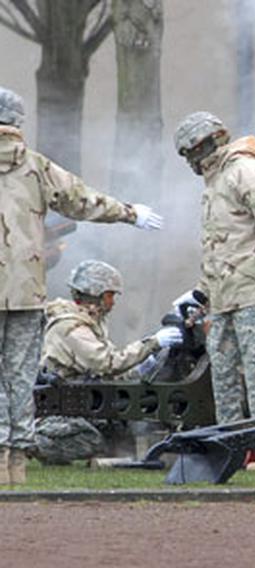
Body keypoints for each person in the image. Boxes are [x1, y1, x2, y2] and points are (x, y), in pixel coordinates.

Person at [0, 86, 163, 485]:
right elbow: (82, 199)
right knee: (19, 379)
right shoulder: (36, 167)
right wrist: (130, 213)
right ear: (18, 123)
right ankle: (15, 466)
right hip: (26, 293)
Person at [172, 111, 255, 473]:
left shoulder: (245, 172)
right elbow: (220, 247)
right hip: (227, 297)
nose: (191, 161)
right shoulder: (216, 181)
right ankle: (233, 447)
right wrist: (201, 294)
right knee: (224, 376)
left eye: (191, 151)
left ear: (206, 143)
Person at [34, 260, 183, 465]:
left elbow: (108, 372)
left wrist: (141, 367)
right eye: (110, 295)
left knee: (120, 432)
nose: (113, 302)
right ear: (95, 294)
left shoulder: (89, 322)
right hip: (60, 409)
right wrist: (152, 344)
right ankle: (34, 442)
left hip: (81, 402)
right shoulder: (70, 327)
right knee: (94, 442)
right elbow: (106, 363)